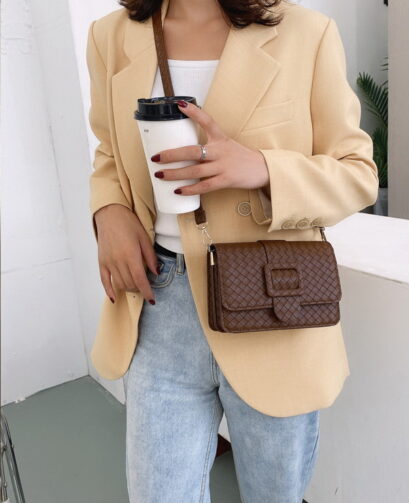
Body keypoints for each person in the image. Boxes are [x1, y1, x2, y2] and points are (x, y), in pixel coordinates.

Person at [86, 0, 379, 501]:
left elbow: (357, 174)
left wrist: (263, 169)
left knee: (274, 494)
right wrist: (108, 210)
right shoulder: (111, 36)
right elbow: (109, 151)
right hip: (159, 304)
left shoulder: (306, 33)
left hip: (274, 304)